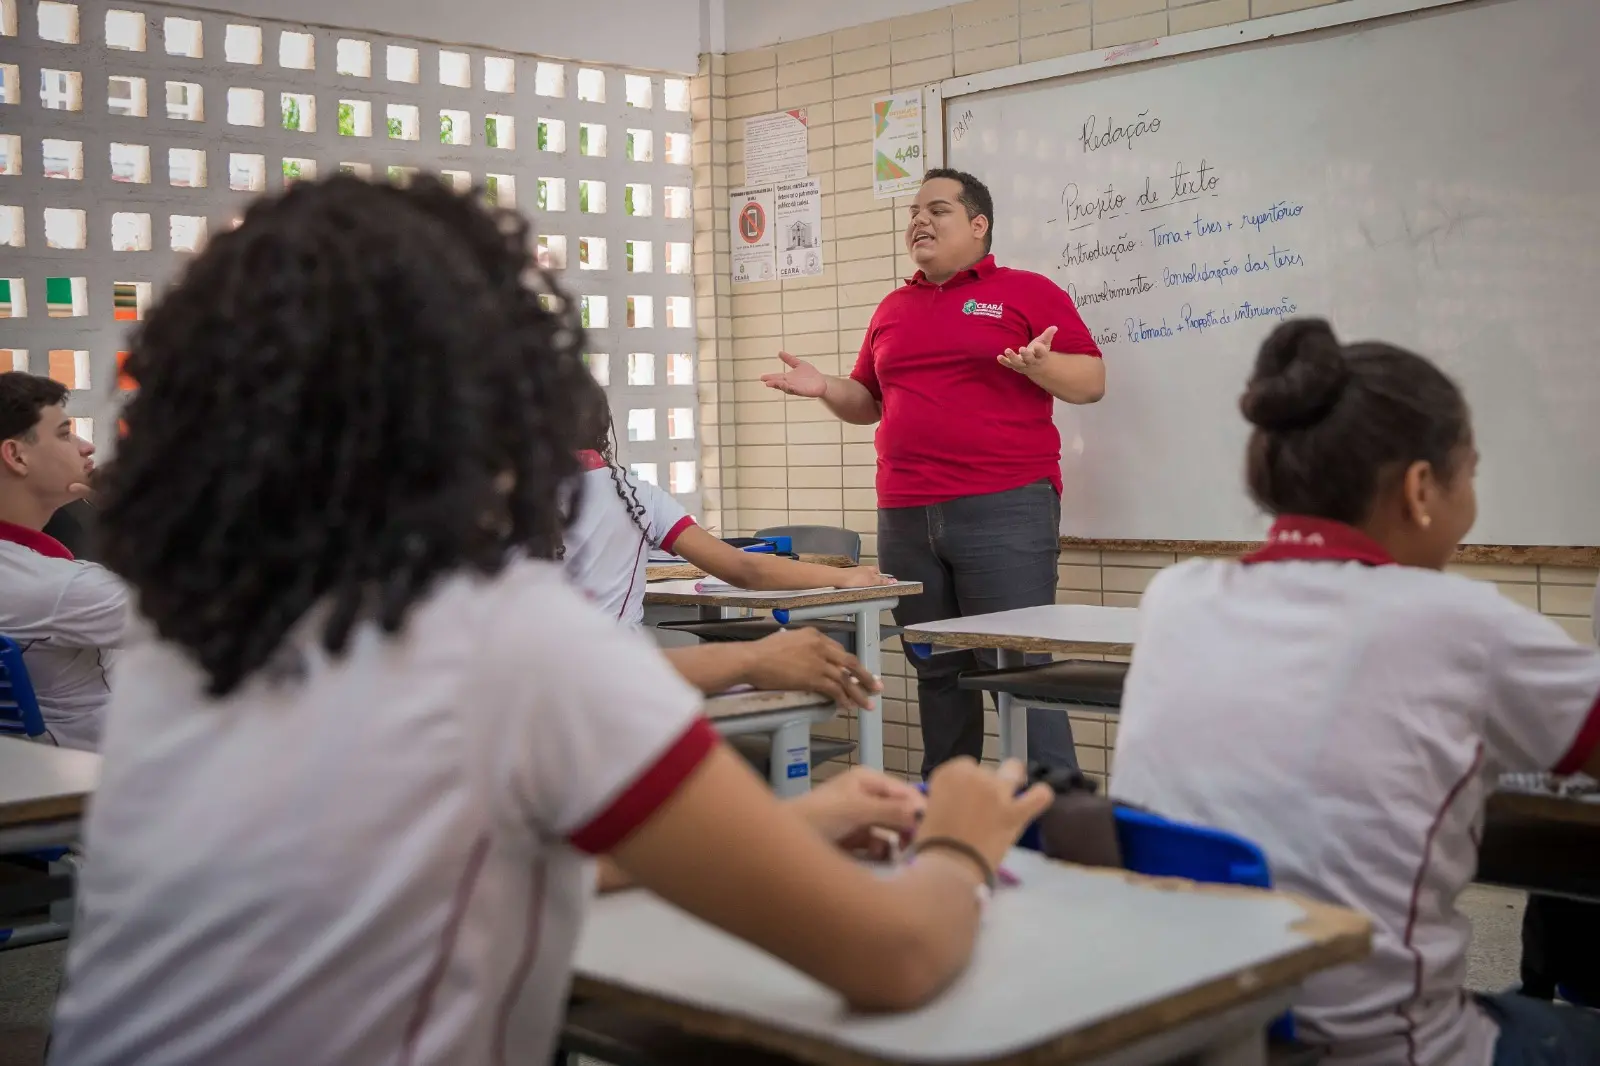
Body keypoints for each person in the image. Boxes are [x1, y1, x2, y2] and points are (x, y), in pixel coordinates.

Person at [48, 175, 1054, 1066]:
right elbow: (898, 955)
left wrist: (798, 823)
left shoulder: (202, 627)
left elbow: (438, 861)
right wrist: (961, 839)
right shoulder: (506, 636)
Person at [1109, 318, 1600, 1066]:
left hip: (1198, 1032)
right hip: (1380, 1052)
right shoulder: (1458, 623)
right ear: (1421, 488)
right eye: (1469, 473)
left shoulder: (1175, 595)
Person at [762, 167, 1105, 776]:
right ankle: (947, 804)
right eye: (914, 212)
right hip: (906, 513)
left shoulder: (1027, 291)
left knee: (1016, 665)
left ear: (979, 226)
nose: (919, 220)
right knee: (935, 666)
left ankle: (1058, 810)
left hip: (1004, 507)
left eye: (937, 210)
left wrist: (1040, 368)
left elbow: (1091, 382)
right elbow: (866, 402)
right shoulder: (895, 306)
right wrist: (825, 388)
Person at [561, 426, 892, 628]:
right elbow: (745, 568)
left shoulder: (515, 496)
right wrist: (844, 576)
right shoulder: (635, 497)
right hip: (610, 680)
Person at [0, 372, 127, 749]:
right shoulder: (59, 589)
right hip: (99, 778)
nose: (86, 446)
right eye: (64, 433)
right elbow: (223, 608)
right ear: (16, 455)